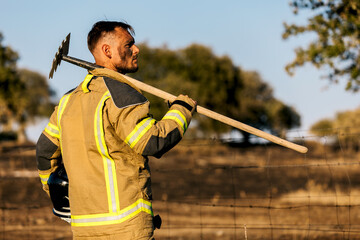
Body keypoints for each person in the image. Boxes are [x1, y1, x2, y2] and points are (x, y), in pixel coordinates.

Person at [36, 21, 196, 240]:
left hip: (83, 228)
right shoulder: (122, 94)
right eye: (129, 44)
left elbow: (44, 152)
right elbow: (152, 141)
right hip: (127, 229)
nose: (136, 49)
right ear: (107, 51)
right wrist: (182, 110)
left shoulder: (67, 102)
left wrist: (55, 191)